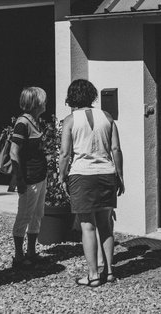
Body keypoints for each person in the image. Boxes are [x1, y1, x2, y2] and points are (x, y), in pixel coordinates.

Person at [58, 79, 124, 288]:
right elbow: (116, 149)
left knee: (87, 226)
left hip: (82, 174)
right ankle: (110, 271)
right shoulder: (107, 117)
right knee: (106, 225)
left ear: (72, 97)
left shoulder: (70, 120)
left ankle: (93, 274)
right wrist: (120, 176)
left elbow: (65, 153)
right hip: (106, 173)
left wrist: (61, 176)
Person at [10, 87, 49, 267]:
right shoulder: (22, 123)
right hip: (29, 177)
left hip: (40, 175)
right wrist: (19, 179)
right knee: (24, 215)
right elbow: (14, 152)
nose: (45, 103)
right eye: (43, 100)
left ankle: (31, 251)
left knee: (37, 214)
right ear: (35, 103)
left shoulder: (35, 121)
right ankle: (19, 255)